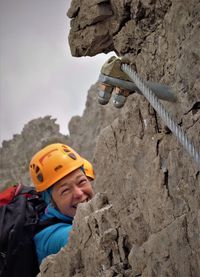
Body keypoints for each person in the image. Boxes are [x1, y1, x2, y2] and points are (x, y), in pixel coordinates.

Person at [29, 143, 94, 265]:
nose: (79, 193)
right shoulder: (51, 237)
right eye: (65, 191)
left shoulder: (69, 215)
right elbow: (88, 236)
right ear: (51, 201)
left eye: (81, 181)